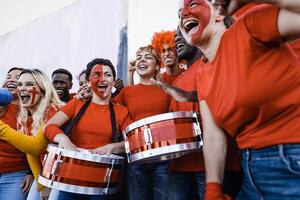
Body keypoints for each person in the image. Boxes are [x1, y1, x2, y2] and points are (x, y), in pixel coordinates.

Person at [177, 0, 300, 199]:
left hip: (291, 162)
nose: (183, 13)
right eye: (180, 12)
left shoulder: (249, 26)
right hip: (251, 173)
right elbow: (213, 136)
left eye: (193, 4)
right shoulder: (202, 73)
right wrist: (213, 189)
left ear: (217, 14)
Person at [44, 58, 131, 200]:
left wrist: (112, 147)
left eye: (108, 75)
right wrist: (62, 137)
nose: (102, 79)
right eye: (97, 75)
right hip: (70, 179)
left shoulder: (121, 111)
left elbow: (132, 142)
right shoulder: (76, 103)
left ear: (114, 82)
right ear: (89, 81)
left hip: (101, 185)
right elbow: (49, 127)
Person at [114, 45, 171, 200]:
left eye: (148, 57)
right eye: (139, 57)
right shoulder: (126, 92)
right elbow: (112, 113)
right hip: (136, 157)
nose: (142, 60)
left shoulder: (167, 90)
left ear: (158, 65)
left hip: (163, 158)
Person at [0, 68, 64, 200]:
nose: (22, 88)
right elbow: (31, 154)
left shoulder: (54, 111)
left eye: (29, 84)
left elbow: (35, 147)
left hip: (64, 176)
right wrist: (40, 184)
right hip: (45, 175)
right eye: (20, 84)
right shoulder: (26, 117)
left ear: (42, 89)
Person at [0, 67, 34, 200]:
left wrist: (32, 172)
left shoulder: (31, 109)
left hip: (16, 175)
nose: (12, 80)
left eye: (17, 78)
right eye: (8, 77)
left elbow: (37, 144)